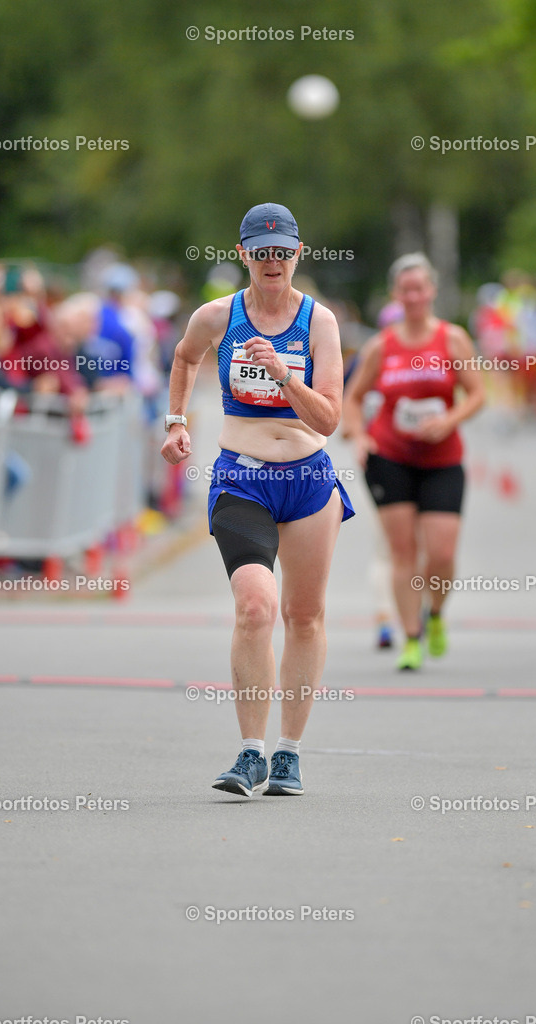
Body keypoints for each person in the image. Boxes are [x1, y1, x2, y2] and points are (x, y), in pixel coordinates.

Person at [161, 202, 354, 798]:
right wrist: (175, 421)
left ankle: (288, 752)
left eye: (282, 252)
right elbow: (185, 356)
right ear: (244, 254)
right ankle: (250, 753)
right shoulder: (218, 316)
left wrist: (284, 375)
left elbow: (329, 419)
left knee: (304, 615)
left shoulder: (319, 322)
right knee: (254, 607)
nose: (273, 262)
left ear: (298, 253)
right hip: (241, 478)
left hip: (308, 480)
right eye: (262, 252)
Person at [342, 253, 484, 671]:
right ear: (396, 294)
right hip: (390, 458)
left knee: (441, 552)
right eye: (406, 290)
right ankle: (410, 637)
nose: (413, 296)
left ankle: (434, 613)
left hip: (442, 459)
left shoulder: (452, 339)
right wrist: (359, 435)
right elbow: (352, 397)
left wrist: (449, 421)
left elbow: (477, 394)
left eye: (420, 288)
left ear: (432, 291)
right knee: (402, 551)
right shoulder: (381, 346)